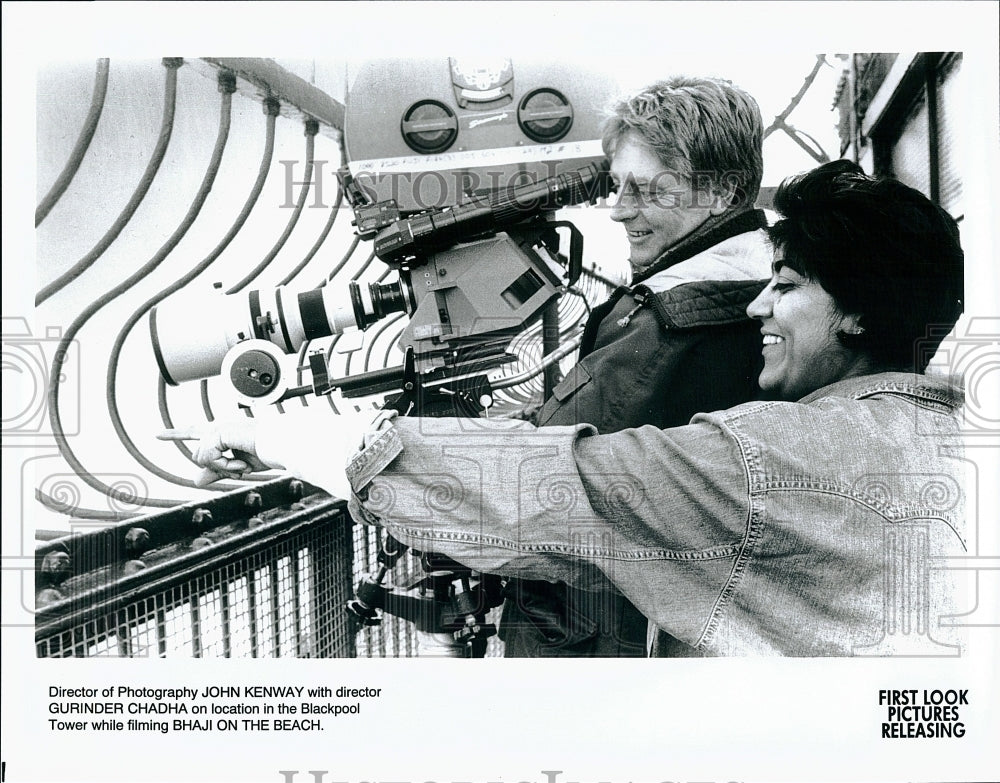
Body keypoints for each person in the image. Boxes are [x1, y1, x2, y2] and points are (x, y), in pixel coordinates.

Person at [165, 160, 966, 656]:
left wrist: (328, 442)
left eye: (785, 285)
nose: (758, 306)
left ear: (859, 311)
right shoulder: (954, 440)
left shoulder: (778, 458)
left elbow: (571, 482)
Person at [500, 76, 772, 657]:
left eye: (648, 190)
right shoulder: (769, 288)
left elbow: (537, 478)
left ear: (723, 192)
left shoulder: (670, 317)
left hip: (603, 634)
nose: (620, 211)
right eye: (616, 185)